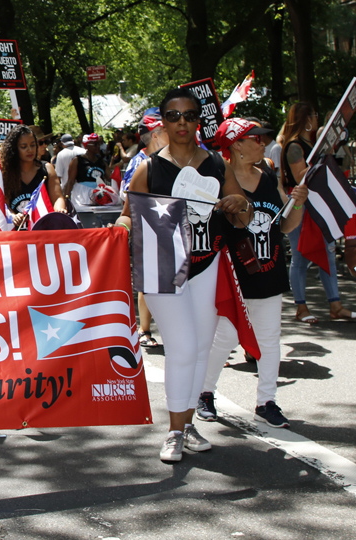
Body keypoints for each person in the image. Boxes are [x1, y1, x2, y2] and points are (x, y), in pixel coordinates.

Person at [116, 88, 251, 463]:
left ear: (198, 120)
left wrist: (240, 204)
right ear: (163, 121)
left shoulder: (217, 165)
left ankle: (187, 424)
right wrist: (119, 230)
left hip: (206, 265)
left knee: (201, 349)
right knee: (183, 346)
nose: (181, 123)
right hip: (162, 265)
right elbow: (128, 215)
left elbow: (244, 213)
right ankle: (175, 431)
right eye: (173, 116)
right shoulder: (148, 168)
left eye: (189, 116)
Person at [196, 118, 308, 429]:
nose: (262, 142)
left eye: (261, 138)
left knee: (271, 340)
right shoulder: (216, 180)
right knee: (225, 338)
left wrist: (298, 204)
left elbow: (285, 225)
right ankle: (205, 394)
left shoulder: (269, 174)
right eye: (254, 138)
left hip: (269, 273)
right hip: (234, 277)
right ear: (235, 145)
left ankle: (266, 401)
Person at [278, 102, 353, 324]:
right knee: (300, 257)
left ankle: (335, 305)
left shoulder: (308, 144)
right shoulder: (294, 146)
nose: (317, 119)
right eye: (314, 115)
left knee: (328, 252)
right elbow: (301, 174)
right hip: (301, 204)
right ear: (306, 118)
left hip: (315, 203)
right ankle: (301, 307)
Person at [122, 108, 168, 348]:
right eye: (164, 130)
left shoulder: (172, 158)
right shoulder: (139, 162)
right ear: (155, 134)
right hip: (146, 228)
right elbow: (126, 196)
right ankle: (144, 329)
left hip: (170, 227)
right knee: (147, 281)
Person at [0, 124, 66, 228]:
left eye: (33, 145)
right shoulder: (6, 173)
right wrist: (13, 216)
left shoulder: (47, 169)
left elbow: (57, 197)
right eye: (23, 147)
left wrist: (59, 209)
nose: (30, 150)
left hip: (43, 231)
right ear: (14, 149)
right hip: (16, 234)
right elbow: (5, 204)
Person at [67, 133, 116, 227]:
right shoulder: (77, 160)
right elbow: (70, 181)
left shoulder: (101, 162)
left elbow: (110, 177)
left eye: (99, 144)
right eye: (95, 144)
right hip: (82, 195)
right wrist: (66, 198)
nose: (98, 146)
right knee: (85, 220)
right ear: (87, 146)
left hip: (99, 195)